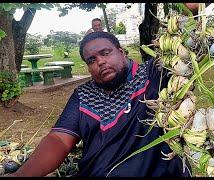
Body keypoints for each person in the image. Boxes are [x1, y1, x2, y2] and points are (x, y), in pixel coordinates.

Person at [10, 31, 190, 177]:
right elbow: (59, 139)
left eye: (105, 53)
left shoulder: (154, 74)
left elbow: (188, 44)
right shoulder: (83, 94)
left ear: (121, 52)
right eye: (91, 60)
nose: (100, 62)